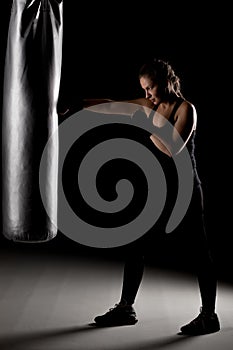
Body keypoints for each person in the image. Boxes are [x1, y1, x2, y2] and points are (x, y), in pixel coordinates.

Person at [81, 58, 220, 335]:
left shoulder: (186, 109)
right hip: (160, 190)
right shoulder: (150, 106)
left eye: (150, 88)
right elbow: (112, 105)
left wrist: (150, 123)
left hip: (186, 190)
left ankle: (209, 316)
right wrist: (78, 106)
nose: (147, 95)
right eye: (144, 90)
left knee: (199, 252)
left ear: (165, 82)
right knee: (135, 242)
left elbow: (172, 149)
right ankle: (125, 308)